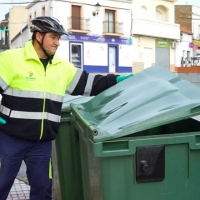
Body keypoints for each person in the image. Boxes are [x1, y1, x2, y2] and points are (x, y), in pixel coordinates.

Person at [0, 16, 133, 200]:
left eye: (58, 38)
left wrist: (115, 80)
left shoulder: (62, 67)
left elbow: (88, 83)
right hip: (10, 139)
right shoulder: (11, 59)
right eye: (53, 37)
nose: (58, 43)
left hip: (42, 143)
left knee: (42, 190)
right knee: (1, 184)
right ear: (39, 36)